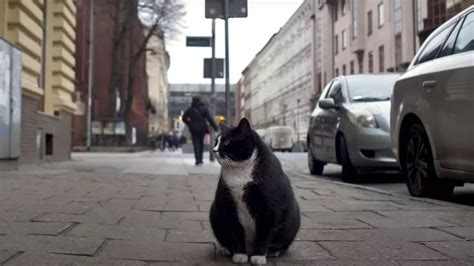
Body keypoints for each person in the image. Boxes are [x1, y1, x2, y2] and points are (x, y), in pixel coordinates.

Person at [182, 96, 218, 165]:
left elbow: (184, 118)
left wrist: (190, 123)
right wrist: (215, 127)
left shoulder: (190, 109)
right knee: (201, 143)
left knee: (196, 144)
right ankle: (200, 159)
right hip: (202, 128)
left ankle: (197, 160)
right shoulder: (204, 109)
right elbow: (209, 119)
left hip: (193, 129)